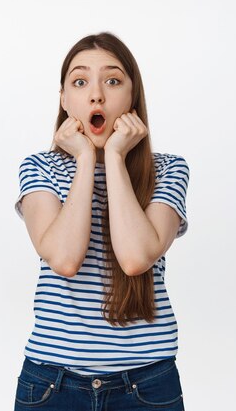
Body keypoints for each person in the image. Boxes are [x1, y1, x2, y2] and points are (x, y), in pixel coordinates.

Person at [13, 31, 190, 411]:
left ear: (132, 98)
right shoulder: (39, 168)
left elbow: (135, 258)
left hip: (147, 387)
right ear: (64, 100)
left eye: (112, 81)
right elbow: (64, 259)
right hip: (51, 386)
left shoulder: (170, 170)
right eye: (80, 82)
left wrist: (113, 156)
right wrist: (83, 161)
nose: (96, 95)